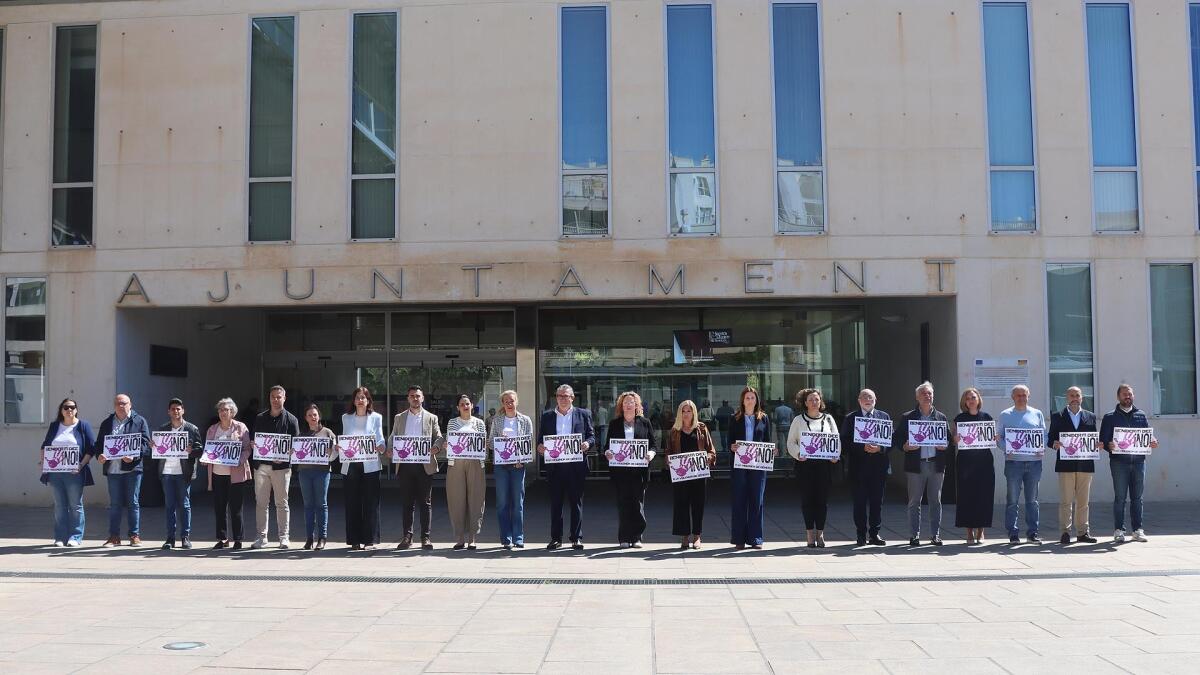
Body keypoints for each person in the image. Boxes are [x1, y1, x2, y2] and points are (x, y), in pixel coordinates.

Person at [537, 384, 595, 550]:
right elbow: (541, 440)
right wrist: (540, 448)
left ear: (572, 398)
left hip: (576, 466)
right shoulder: (547, 416)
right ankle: (556, 538)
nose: (562, 399)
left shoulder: (583, 414)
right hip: (555, 467)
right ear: (556, 397)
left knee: (576, 503)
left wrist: (587, 444)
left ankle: (576, 537)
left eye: (566, 396)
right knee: (556, 504)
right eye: (559, 396)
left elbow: (592, 436)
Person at [1099, 383, 1158, 543]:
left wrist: (1152, 441)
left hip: (1139, 462)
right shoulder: (1110, 416)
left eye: (1130, 394)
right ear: (1118, 397)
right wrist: (1109, 445)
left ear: (1133, 396)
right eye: (1124, 394)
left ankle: (1138, 530)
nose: (1127, 396)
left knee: (1137, 498)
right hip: (1119, 463)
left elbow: (1147, 436)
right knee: (1120, 497)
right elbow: (1103, 440)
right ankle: (1119, 530)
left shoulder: (1141, 415)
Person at [95, 394, 152, 547]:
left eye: (124, 403)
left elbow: (146, 445)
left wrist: (134, 456)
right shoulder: (107, 423)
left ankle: (134, 535)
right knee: (115, 504)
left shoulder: (139, 421)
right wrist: (99, 455)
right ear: (114, 405)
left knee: (133, 503)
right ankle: (114, 536)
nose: (121, 406)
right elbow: (99, 444)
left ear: (130, 404)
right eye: (118, 403)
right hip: (113, 470)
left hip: (132, 469)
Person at [897, 382, 951, 547]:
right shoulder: (908, 417)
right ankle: (914, 535)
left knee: (936, 501)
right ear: (917, 397)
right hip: (916, 466)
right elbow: (898, 439)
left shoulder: (941, 417)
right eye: (924, 394)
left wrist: (945, 445)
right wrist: (905, 446)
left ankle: (935, 535)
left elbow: (948, 439)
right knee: (915, 502)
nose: (927, 396)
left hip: (936, 465)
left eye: (930, 394)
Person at [786, 388, 840, 548]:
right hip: (805, 465)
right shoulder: (798, 420)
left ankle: (820, 532)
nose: (814, 402)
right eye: (810, 399)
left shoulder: (829, 419)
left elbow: (835, 440)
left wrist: (835, 455)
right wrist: (798, 454)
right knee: (807, 500)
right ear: (805, 403)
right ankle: (810, 533)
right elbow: (791, 442)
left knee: (822, 501)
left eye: (816, 399)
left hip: (824, 466)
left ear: (821, 401)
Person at [392, 385, 443, 550]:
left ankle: (425, 538)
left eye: (418, 396)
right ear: (408, 399)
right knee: (407, 503)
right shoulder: (399, 418)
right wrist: (387, 448)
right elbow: (393, 437)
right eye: (412, 396)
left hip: (424, 465)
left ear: (422, 398)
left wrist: (436, 447)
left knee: (425, 502)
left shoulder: (431, 417)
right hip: (405, 465)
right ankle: (407, 536)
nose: (415, 398)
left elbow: (439, 437)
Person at [39, 398, 95, 547]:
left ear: (76, 410)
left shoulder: (83, 426)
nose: (69, 410)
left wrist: (81, 465)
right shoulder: (55, 426)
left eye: (72, 407)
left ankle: (75, 537)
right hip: (55, 473)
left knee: (75, 505)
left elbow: (91, 449)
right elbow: (45, 445)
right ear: (61, 410)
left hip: (74, 473)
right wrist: (43, 461)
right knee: (59, 506)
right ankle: (60, 537)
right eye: (66, 407)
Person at [604, 391, 657, 548]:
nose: (628, 404)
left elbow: (653, 444)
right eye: (625, 402)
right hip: (621, 472)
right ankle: (624, 537)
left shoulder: (645, 422)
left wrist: (651, 454)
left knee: (637, 504)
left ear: (636, 405)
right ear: (621, 405)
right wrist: (608, 453)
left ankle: (637, 537)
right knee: (623, 504)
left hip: (639, 471)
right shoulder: (615, 423)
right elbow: (607, 446)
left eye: (631, 402)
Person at [250, 385, 299, 549]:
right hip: (262, 467)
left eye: (279, 397)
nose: (276, 400)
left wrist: (287, 454)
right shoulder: (260, 418)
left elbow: (296, 446)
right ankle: (261, 537)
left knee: (282, 503)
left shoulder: (292, 420)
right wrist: (253, 444)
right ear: (269, 398)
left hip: (282, 468)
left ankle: (284, 537)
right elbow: (254, 440)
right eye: (273, 397)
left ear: (284, 398)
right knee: (261, 503)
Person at [997, 384, 1047, 544]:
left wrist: (1042, 447)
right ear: (1013, 397)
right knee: (1012, 500)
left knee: (1032, 500)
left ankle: (1032, 533)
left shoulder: (1037, 414)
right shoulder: (1005, 415)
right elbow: (999, 438)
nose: (1021, 398)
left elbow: (1043, 435)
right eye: (1018, 395)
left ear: (1028, 396)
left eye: (1024, 395)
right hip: (1013, 463)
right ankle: (1013, 533)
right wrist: (1006, 449)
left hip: (1034, 463)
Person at [1048, 386, 1098, 544]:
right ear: (1066, 398)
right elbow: (1050, 439)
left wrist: (1097, 445)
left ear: (1082, 398)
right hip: (1065, 464)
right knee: (1066, 501)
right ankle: (1065, 532)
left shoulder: (1090, 416)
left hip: (1085, 465)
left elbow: (1093, 439)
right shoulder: (1057, 416)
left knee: (1084, 501)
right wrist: (1054, 444)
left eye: (1077, 395)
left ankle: (1083, 532)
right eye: (1071, 395)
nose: (1075, 398)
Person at [726, 386, 774, 549]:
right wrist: (731, 447)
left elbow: (767, 440)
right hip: (739, 465)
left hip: (758, 466)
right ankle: (739, 538)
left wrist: (772, 450)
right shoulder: (735, 418)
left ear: (757, 400)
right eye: (747, 397)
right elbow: (729, 441)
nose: (750, 400)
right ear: (742, 400)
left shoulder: (764, 418)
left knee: (756, 501)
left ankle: (756, 538)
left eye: (752, 397)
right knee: (739, 501)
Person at [841, 388, 890, 546]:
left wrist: (880, 448)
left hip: (878, 467)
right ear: (859, 400)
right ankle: (861, 534)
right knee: (859, 503)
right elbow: (844, 442)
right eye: (865, 397)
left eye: (871, 397)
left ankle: (874, 534)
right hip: (858, 468)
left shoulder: (884, 416)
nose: (868, 400)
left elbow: (891, 441)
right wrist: (862, 447)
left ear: (875, 400)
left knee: (877, 502)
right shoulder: (850, 418)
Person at [665, 400, 716, 549]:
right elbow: (668, 451)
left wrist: (708, 457)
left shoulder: (701, 428)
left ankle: (697, 536)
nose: (686, 414)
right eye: (683, 411)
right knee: (681, 505)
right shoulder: (674, 431)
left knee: (698, 505)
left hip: (698, 474)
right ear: (679, 413)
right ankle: (684, 536)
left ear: (694, 412)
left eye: (689, 411)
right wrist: (668, 460)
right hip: (681, 475)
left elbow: (711, 450)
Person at [488, 390, 533, 549]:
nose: (509, 403)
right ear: (502, 403)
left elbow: (528, 443)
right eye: (506, 401)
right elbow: (491, 442)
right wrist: (501, 441)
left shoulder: (525, 420)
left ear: (517, 401)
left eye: (512, 400)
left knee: (518, 503)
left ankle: (518, 537)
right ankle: (506, 538)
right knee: (502, 503)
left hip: (518, 466)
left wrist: (522, 459)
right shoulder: (497, 420)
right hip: (501, 466)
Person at [340, 388, 385, 551]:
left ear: (368, 401)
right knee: (352, 502)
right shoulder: (346, 418)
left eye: (363, 398)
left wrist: (381, 446)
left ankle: (370, 540)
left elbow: (380, 439)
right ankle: (354, 540)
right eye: (358, 398)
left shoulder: (376, 417)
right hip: (351, 465)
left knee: (371, 502)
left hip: (370, 465)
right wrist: (340, 447)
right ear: (353, 401)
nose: (360, 400)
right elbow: (344, 438)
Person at [156, 398, 203, 550]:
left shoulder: (191, 429)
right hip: (167, 472)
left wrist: (192, 451)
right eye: (173, 409)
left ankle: (185, 537)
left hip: (183, 472)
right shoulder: (163, 429)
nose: (176, 411)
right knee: (169, 506)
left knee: (184, 505)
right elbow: (158, 449)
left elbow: (200, 449)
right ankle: (170, 538)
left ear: (183, 410)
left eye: (178, 409)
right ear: (168, 411)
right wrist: (154, 446)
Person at [207, 398, 252, 549]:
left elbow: (247, 449)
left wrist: (239, 460)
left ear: (232, 412)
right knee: (219, 507)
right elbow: (208, 450)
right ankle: (222, 538)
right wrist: (205, 459)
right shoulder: (213, 429)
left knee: (236, 508)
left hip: (236, 474)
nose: (223, 413)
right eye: (220, 410)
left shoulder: (241, 428)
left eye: (226, 410)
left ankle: (238, 539)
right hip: (218, 473)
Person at [952, 388, 995, 544]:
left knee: (984, 495)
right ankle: (969, 532)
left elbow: (992, 438)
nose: (971, 400)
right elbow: (954, 438)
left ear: (978, 399)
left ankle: (981, 531)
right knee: (966, 496)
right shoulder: (959, 418)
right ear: (964, 401)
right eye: (968, 398)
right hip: (965, 462)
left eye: (973, 397)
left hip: (984, 462)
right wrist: (955, 439)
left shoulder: (987, 417)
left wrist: (995, 438)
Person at [446, 393, 488, 550]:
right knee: (457, 500)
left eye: (467, 403)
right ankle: (460, 538)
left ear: (472, 405)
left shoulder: (479, 423)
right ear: (458, 407)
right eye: (462, 404)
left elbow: (483, 444)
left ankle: (472, 538)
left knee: (475, 499)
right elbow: (451, 440)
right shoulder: (452, 423)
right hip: (456, 464)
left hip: (476, 463)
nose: (465, 406)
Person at [297, 403, 335, 551]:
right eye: (309, 415)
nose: (313, 417)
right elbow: (296, 454)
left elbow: (335, 455)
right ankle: (309, 538)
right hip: (304, 472)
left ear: (319, 416)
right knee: (308, 505)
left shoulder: (327, 433)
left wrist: (331, 451)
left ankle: (322, 538)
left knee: (321, 504)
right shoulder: (301, 435)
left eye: (315, 414)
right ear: (306, 418)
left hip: (322, 472)